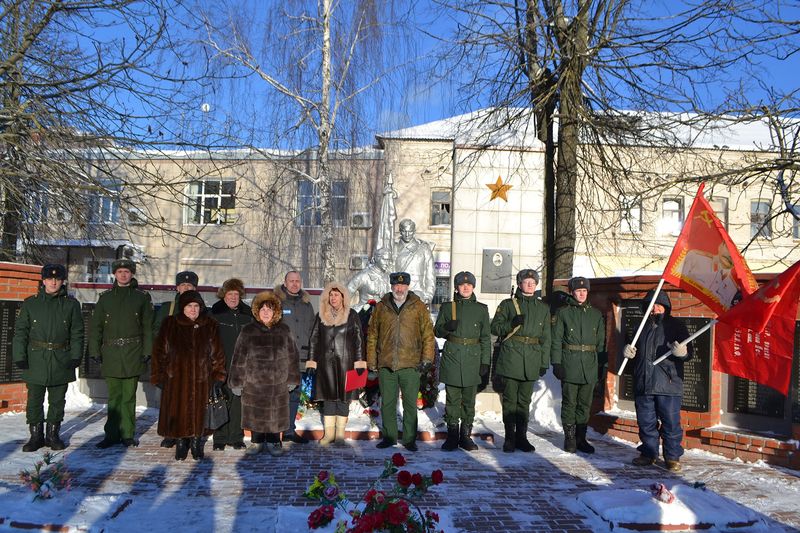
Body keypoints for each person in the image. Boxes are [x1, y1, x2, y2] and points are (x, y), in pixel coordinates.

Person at [12, 264, 83, 452]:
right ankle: (36, 436)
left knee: (58, 400)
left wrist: (76, 356)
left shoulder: (71, 305)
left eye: (57, 279)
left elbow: (77, 333)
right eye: (50, 279)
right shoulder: (31, 303)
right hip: (36, 358)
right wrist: (20, 356)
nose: (53, 282)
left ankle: (53, 435)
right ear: (43, 281)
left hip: (61, 358)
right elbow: (21, 332)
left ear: (62, 281)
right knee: (35, 399)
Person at [151, 291, 226, 461]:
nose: (193, 310)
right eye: (189, 306)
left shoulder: (210, 324)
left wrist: (218, 375)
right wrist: (159, 376)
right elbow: (159, 352)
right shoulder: (170, 323)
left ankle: (195, 442)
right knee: (178, 410)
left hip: (202, 379)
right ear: (182, 308)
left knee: (199, 412)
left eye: (196, 306)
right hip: (175, 378)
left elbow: (218, 354)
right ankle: (180, 442)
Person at [623, 289, 693, 472]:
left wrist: (683, 353)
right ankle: (649, 453)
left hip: (667, 384)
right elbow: (632, 349)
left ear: (665, 306)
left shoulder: (676, 326)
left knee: (670, 423)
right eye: (651, 305)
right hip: (644, 383)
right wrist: (628, 352)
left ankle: (672, 457)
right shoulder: (640, 327)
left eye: (658, 304)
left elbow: (689, 352)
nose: (654, 308)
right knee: (646, 422)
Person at [89, 259, 153, 449]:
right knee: (114, 397)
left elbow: (147, 328)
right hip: (111, 353)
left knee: (129, 396)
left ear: (132, 274)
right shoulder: (105, 298)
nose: (123, 275)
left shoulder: (141, 297)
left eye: (127, 271)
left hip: (133, 352)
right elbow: (96, 327)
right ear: (114, 274)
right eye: (120, 272)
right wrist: (94, 350)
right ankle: (111, 434)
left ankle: (127, 434)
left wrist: (147, 351)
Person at [367, 272, 435, 452]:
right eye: (396, 285)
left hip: (411, 364)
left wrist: (427, 359)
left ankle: (409, 439)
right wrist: (372, 362)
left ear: (408, 286)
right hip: (386, 364)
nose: (399, 289)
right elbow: (373, 335)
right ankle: (389, 437)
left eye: (403, 285)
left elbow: (428, 334)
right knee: (387, 402)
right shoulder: (382, 307)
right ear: (391, 286)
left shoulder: (418, 306)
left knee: (410, 404)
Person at [228, 291, 301, 456]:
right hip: (254, 384)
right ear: (257, 311)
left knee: (275, 414)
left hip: (278, 383)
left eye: (269, 309)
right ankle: (256, 441)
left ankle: (275, 441)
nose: (266, 312)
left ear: (276, 312)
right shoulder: (248, 330)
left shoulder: (284, 330)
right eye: (263, 309)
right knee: (256, 414)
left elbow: (292, 356)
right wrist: (237, 382)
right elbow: (239, 357)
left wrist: (292, 378)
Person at [490, 269, 551, 453]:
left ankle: (522, 437)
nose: (531, 284)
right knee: (510, 401)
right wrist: (511, 324)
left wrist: (543, 362)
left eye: (533, 281)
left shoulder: (543, 308)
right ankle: (509, 438)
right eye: (526, 281)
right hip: (511, 358)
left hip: (531, 358)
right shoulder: (508, 304)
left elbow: (546, 338)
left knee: (524, 401)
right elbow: (495, 328)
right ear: (519, 284)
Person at [433, 271, 490, 452]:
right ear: (456, 287)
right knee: (452, 399)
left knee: (468, 400)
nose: (465, 287)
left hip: (473, 358)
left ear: (473, 287)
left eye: (469, 284)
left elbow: (486, 338)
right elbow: (437, 331)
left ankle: (465, 436)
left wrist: (485, 362)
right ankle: (452, 436)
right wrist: (446, 328)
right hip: (453, 356)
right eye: (461, 285)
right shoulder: (448, 307)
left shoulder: (481, 309)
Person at [305, 282, 366, 446]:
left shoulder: (352, 315)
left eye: (336, 295)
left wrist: (360, 363)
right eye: (331, 295)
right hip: (325, 363)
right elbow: (314, 339)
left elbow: (359, 340)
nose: (333, 298)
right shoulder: (321, 315)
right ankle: (329, 434)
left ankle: (340, 434)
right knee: (328, 397)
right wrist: (311, 362)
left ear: (343, 297)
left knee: (343, 398)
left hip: (346, 363)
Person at [551, 277, 606, 454]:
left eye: (584, 291)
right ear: (572, 292)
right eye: (578, 291)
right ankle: (570, 438)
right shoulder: (563, 313)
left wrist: (601, 365)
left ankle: (581, 438)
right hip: (570, 363)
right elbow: (556, 339)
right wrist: (557, 362)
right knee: (569, 403)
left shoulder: (595, 314)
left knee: (584, 404)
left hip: (589, 365)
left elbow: (601, 343)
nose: (582, 293)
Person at [152, 270, 200, 449]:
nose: (186, 288)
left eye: (190, 286)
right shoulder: (167, 308)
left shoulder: (201, 309)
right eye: (183, 285)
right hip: (170, 364)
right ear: (177, 287)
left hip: (193, 365)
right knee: (169, 402)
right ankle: (170, 433)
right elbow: (156, 336)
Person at [210, 278, 253, 451]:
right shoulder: (215, 313)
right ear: (223, 295)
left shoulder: (248, 314)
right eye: (230, 294)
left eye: (236, 294)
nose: (233, 297)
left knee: (237, 403)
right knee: (220, 401)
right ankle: (219, 438)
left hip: (241, 366)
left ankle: (236, 437)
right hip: (220, 364)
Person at [273, 270, 315, 444]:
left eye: (298, 281)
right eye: (291, 281)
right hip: (281, 357)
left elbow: (313, 331)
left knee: (295, 394)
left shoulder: (307, 304)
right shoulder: (277, 301)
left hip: (302, 357)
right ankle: (276, 431)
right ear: (285, 282)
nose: (295, 284)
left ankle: (290, 430)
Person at [393, 219, 435, 305]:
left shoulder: (424, 249)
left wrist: (429, 295)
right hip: (397, 295)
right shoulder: (393, 249)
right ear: (400, 231)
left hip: (418, 294)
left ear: (414, 231)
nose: (407, 234)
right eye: (404, 231)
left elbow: (430, 275)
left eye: (410, 231)